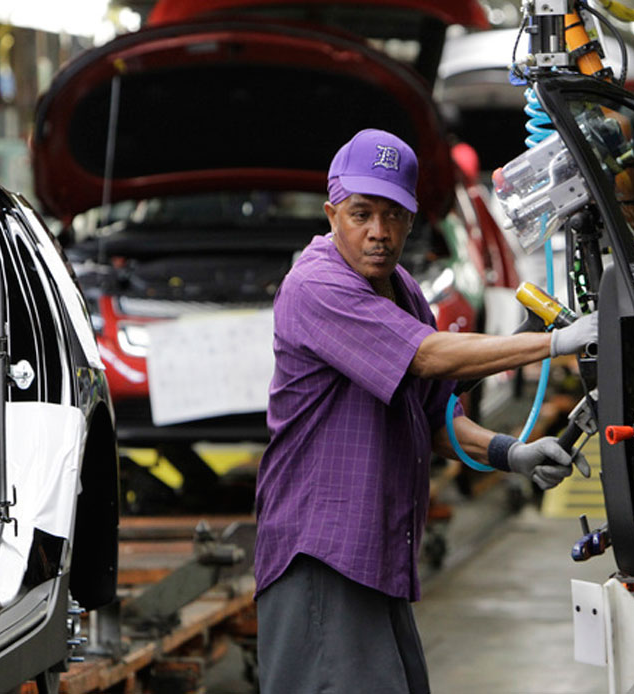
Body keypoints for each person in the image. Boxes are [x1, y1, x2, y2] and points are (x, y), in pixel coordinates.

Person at [254, 128, 597, 693]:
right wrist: (553, 343)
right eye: (361, 213)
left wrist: (513, 453)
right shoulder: (316, 286)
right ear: (331, 212)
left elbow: (435, 418)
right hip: (321, 555)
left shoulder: (402, 290)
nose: (378, 232)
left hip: (377, 552)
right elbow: (427, 357)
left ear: (414, 220)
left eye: (394, 216)